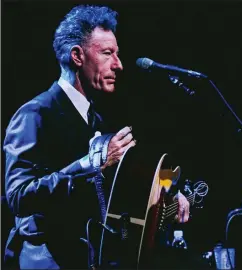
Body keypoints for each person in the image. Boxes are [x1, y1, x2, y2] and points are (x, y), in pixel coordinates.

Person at [3, 5, 190, 269]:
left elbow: (121, 185)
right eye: (107, 53)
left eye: (118, 54)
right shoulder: (35, 114)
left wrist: (169, 191)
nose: (119, 64)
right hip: (44, 259)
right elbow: (18, 196)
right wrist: (90, 163)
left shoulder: (96, 121)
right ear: (78, 56)